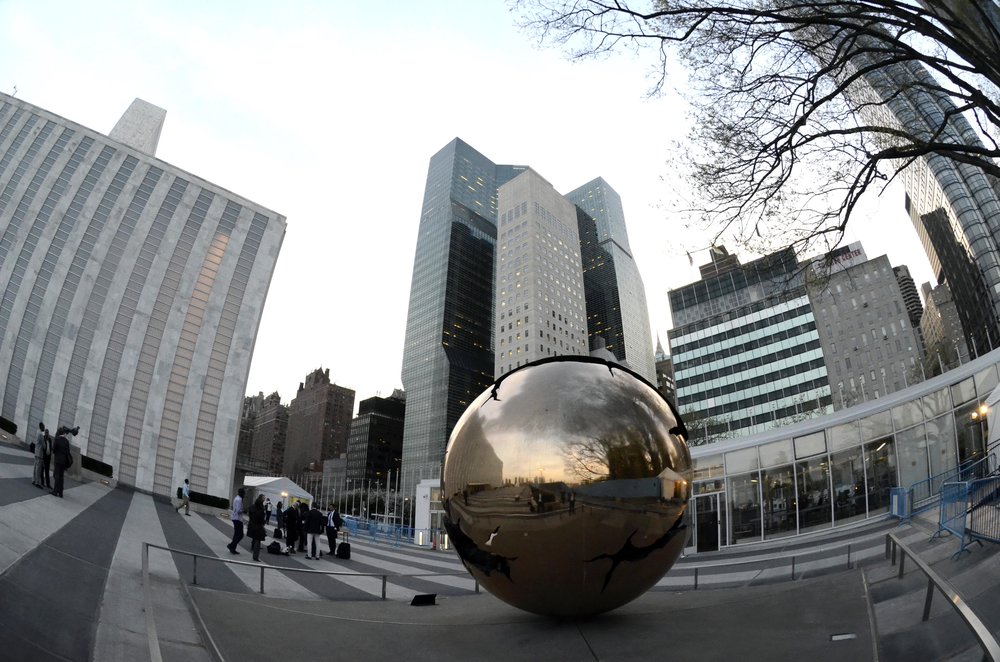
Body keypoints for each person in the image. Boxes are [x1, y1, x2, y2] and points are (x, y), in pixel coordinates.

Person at [50, 427, 71, 497]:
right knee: (61, 476)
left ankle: (55, 491)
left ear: (58, 433)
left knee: (56, 475)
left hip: (58, 460)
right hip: (64, 461)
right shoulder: (67, 441)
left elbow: (54, 450)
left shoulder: (57, 439)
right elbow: (68, 452)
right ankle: (61, 492)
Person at [247, 494, 267, 562]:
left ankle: (255, 555)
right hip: (258, 526)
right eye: (263, 498)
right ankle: (255, 556)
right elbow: (261, 518)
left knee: (256, 540)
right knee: (257, 542)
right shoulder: (261, 508)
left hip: (253, 525)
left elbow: (250, 515)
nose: (264, 499)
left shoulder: (253, 506)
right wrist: (263, 522)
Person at [227, 487, 246, 554]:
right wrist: (243, 510)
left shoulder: (236, 498)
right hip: (238, 519)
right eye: (244, 493)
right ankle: (231, 545)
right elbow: (238, 510)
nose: (245, 495)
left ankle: (233, 548)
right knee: (240, 535)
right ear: (241, 493)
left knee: (236, 534)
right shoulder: (239, 499)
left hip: (235, 518)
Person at [32, 422, 46, 488]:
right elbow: (43, 445)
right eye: (44, 426)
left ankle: (33, 480)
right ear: (41, 427)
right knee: (38, 468)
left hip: (36, 452)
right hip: (39, 453)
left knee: (35, 467)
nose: (44, 428)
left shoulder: (37, 432)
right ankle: (37, 482)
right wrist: (46, 447)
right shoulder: (40, 434)